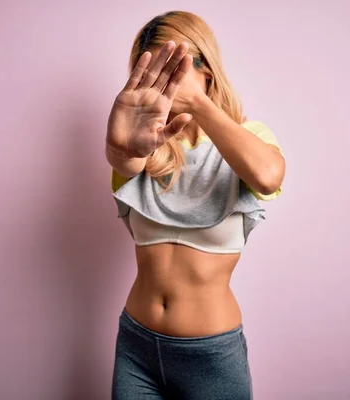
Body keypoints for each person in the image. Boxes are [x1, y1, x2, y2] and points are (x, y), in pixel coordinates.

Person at [105, 10, 286, 400]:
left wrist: (200, 105)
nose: (163, 85)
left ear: (207, 70)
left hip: (211, 355)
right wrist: (119, 144)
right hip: (136, 345)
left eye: (174, 69)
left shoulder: (247, 137)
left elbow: (268, 175)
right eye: (152, 72)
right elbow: (124, 160)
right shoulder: (143, 145)